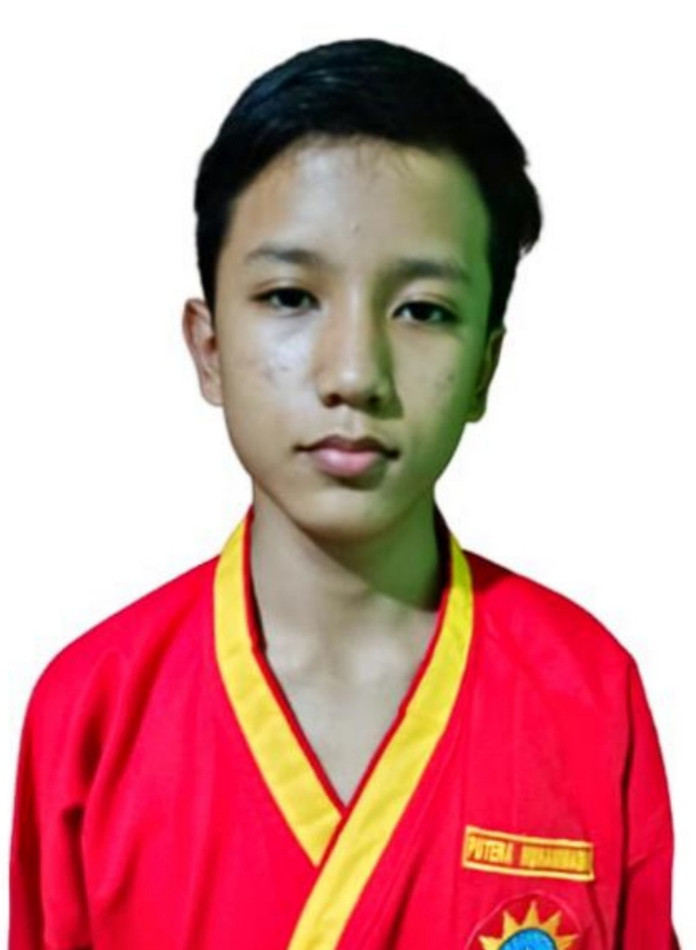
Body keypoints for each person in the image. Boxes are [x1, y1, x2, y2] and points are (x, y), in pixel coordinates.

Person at [9, 37, 679, 949]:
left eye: (423, 310)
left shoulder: (588, 692)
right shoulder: (93, 710)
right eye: (291, 297)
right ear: (209, 349)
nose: (355, 373)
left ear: (486, 368)